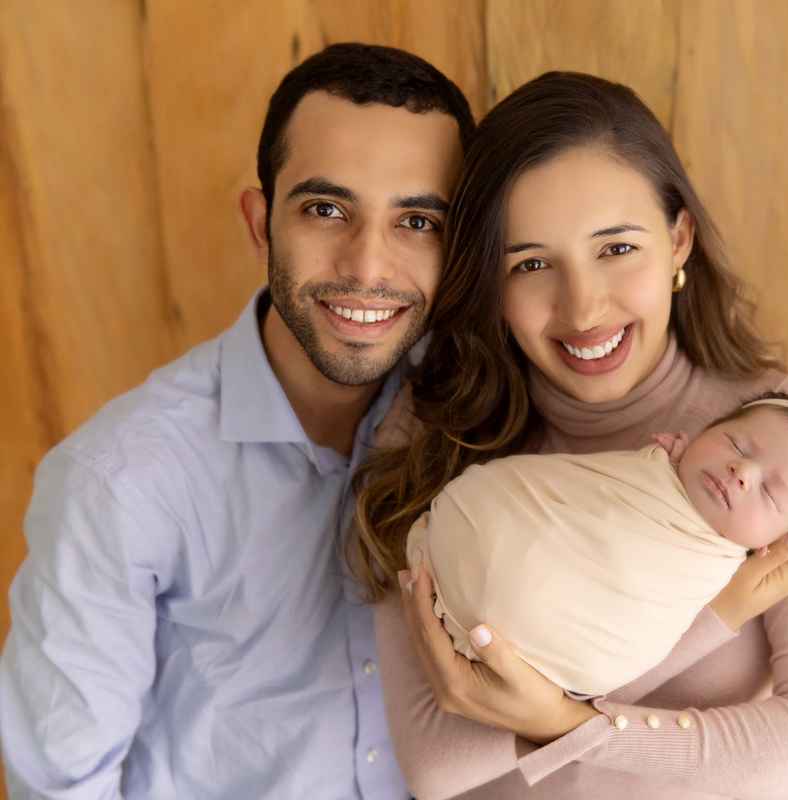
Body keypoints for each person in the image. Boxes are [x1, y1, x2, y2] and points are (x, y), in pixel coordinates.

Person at [350, 71, 788, 799]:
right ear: (491, 285)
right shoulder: (428, 434)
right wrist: (717, 617)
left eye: (617, 248)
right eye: (532, 264)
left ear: (678, 239)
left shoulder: (787, 441)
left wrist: (568, 722)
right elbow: (436, 766)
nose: (583, 308)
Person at [0, 44, 473, 799]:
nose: (367, 267)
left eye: (417, 220)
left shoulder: (475, 422)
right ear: (261, 225)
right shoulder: (119, 483)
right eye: (326, 210)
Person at [405, 391, 788, 698]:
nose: (741, 472)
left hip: (540, 643)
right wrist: (663, 466)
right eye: (735, 445)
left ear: (774, 545)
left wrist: (560, 722)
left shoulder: (718, 569)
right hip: (481, 525)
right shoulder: (656, 466)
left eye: (770, 493)